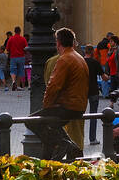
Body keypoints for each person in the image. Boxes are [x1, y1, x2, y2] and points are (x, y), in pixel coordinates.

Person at [26, 27, 87, 161]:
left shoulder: (64, 59)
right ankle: (61, 149)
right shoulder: (79, 58)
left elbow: (53, 86)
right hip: (79, 106)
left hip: (66, 107)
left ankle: (64, 144)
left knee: (30, 121)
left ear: (58, 43)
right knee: (53, 128)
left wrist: (47, 107)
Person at [84, 45, 102, 145]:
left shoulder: (81, 61)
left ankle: (78, 138)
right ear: (92, 52)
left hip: (82, 90)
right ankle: (92, 139)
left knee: (79, 115)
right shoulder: (95, 62)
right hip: (94, 90)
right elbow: (103, 77)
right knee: (93, 115)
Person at [6, 26, 28, 92]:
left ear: (14, 31)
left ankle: (13, 81)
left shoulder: (11, 39)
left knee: (13, 70)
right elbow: (26, 48)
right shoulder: (23, 39)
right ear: (20, 31)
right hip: (21, 56)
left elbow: (7, 48)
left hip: (13, 57)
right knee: (20, 71)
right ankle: (18, 86)